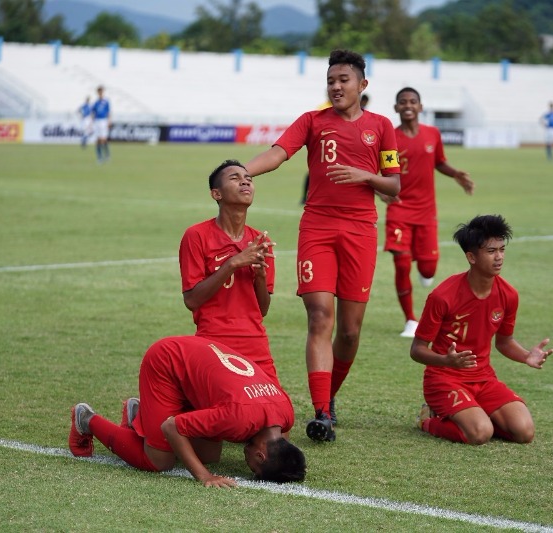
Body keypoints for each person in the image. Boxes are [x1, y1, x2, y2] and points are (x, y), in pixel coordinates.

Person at [245, 49, 401, 442]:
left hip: (360, 233)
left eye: (343, 80)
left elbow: (394, 186)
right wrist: (240, 171)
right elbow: (278, 153)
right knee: (319, 317)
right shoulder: (312, 121)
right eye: (331, 80)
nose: (335, 86)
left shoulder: (381, 126)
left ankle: (329, 395)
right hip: (317, 228)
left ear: (362, 85)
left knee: (349, 332)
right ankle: (321, 413)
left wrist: (365, 176)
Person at [68, 335, 306, 487]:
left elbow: (281, 445)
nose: (247, 464)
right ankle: (86, 419)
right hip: (167, 361)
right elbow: (171, 427)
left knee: (208, 455)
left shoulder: (285, 414)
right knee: (159, 460)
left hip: (195, 357)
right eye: (253, 467)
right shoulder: (237, 419)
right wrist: (204, 476)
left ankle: (140, 415)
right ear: (260, 456)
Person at [409, 214, 553, 445]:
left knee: (524, 432)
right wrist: (446, 361)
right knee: (479, 433)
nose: (499, 257)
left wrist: (527, 356)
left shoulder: (508, 295)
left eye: (502, 249)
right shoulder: (442, 296)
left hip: (484, 378)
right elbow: (417, 350)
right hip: (444, 379)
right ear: (471, 257)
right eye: (491, 251)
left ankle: (475, 414)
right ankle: (427, 420)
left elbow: (504, 342)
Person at [382, 87, 475, 339]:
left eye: (413, 101)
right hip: (399, 210)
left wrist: (455, 174)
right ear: (396, 108)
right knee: (402, 263)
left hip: (426, 212)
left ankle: (425, 272)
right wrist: (381, 192)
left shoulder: (432, 134)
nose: (408, 105)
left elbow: (439, 162)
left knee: (428, 269)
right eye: (403, 102)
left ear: (420, 107)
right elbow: (383, 173)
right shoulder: (391, 138)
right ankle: (410, 320)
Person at [179, 160, 279, 383]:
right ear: (217, 194)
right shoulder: (196, 236)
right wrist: (232, 264)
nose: (245, 182)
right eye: (235, 178)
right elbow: (192, 300)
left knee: (278, 406)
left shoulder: (261, 242)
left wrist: (260, 277)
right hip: (214, 341)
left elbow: (262, 309)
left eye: (248, 179)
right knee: (230, 403)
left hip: (256, 342)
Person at [91, 85, 111, 163]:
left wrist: (109, 121)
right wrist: (91, 123)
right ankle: (99, 157)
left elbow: (109, 112)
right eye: (99, 92)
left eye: (101, 91)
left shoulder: (106, 102)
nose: (100, 93)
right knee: (97, 140)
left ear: (103, 92)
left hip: (103, 121)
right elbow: (93, 113)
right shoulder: (96, 103)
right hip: (97, 121)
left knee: (104, 139)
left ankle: (107, 155)